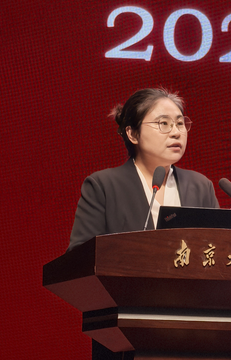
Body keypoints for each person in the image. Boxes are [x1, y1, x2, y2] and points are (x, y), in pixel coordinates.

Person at [68, 86, 218, 249]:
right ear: (133, 134)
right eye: (164, 123)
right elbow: (80, 254)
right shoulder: (103, 187)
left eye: (180, 123)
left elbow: (218, 248)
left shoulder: (200, 186)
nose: (176, 132)